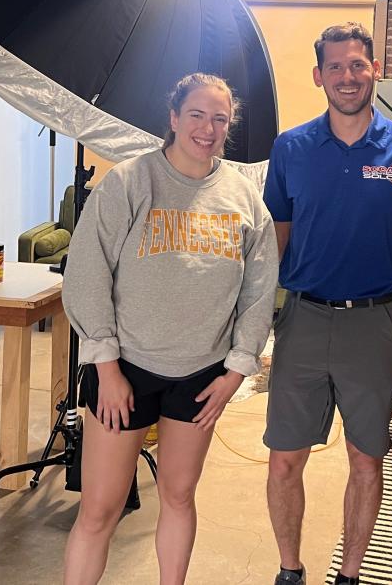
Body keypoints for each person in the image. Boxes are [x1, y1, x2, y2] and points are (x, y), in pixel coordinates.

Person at [62, 73, 279, 585]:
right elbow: (87, 274)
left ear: (229, 125)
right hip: (127, 372)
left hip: (200, 375)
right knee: (101, 509)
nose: (208, 128)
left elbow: (259, 290)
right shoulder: (132, 182)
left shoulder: (245, 197)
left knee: (179, 496)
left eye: (219, 119)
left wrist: (236, 370)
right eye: (197, 115)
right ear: (174, 118)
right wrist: (108, 368)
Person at [262, 22, 392, 585]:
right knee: (286, 457)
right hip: (303, 320)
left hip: (375, 323)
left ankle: (350, 576)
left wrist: (378, 286)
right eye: (335, 67)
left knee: (366, 458)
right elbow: (277, 238)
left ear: (374, 68)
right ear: (318, 76)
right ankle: (290, 570)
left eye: (357, 64)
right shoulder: (291, 148)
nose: (347, 76)